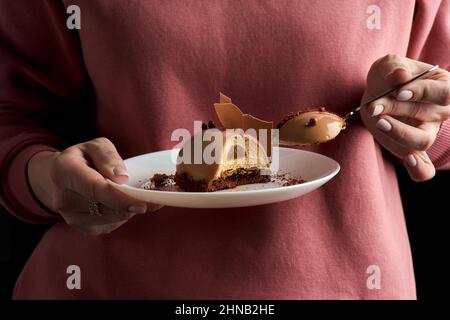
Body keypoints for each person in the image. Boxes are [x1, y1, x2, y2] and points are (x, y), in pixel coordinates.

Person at [0, 0, 449, 299]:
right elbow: (13, 115)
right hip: (109, 282)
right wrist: (44, 179)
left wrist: (422, 121)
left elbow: (441, 105)